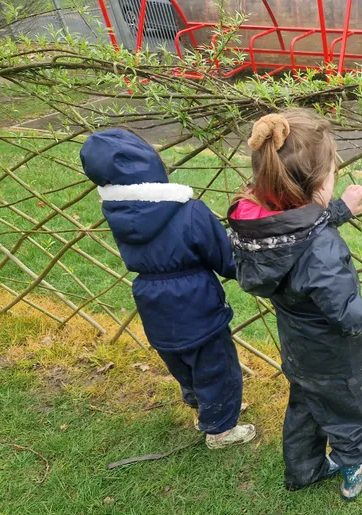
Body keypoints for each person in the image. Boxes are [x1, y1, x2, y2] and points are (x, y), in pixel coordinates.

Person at [227, 110, 362, 501]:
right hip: (333, 359)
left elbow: (297, 231)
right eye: (331, 173)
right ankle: (356, 466)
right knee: (347, 414)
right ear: (316, 184)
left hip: (297, 350)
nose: (335, 177)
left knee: (306, 407)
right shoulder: (322, 248)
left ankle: (303, 468)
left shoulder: (259, 232)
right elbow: (350, 317)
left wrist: (340, 209)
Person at [80, 129, 255, 450]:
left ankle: (204, 408)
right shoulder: (190, 211)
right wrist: (251, 268)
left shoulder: (119, 215)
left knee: (181, 361)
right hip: (196, 304)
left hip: (153, 304)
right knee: (216, 365)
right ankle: (221, 430)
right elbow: (225, 258)